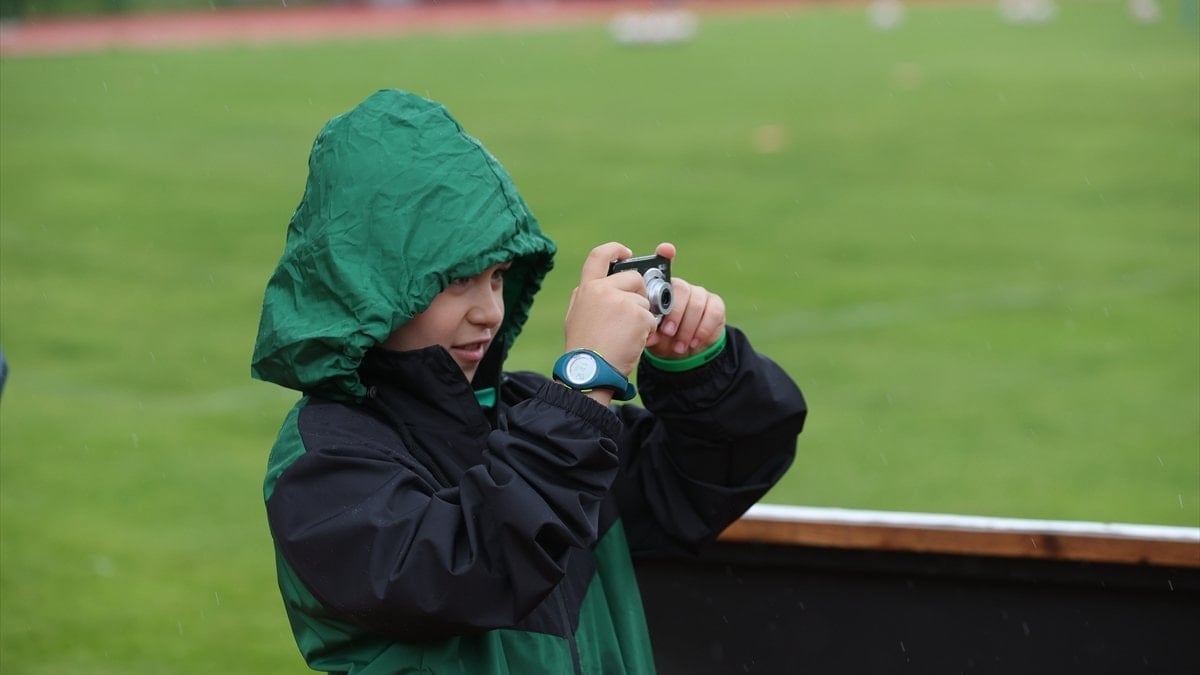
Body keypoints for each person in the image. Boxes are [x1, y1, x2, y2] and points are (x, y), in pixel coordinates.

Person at [251, 88, 807, 675]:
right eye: (457, 281)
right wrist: (585, 381)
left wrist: (696, 364)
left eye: (497, 277)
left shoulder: (523, 415)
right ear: (373, 285)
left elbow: (727, 465)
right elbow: (474, 565)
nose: (489, 310)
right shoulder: (321, 460)